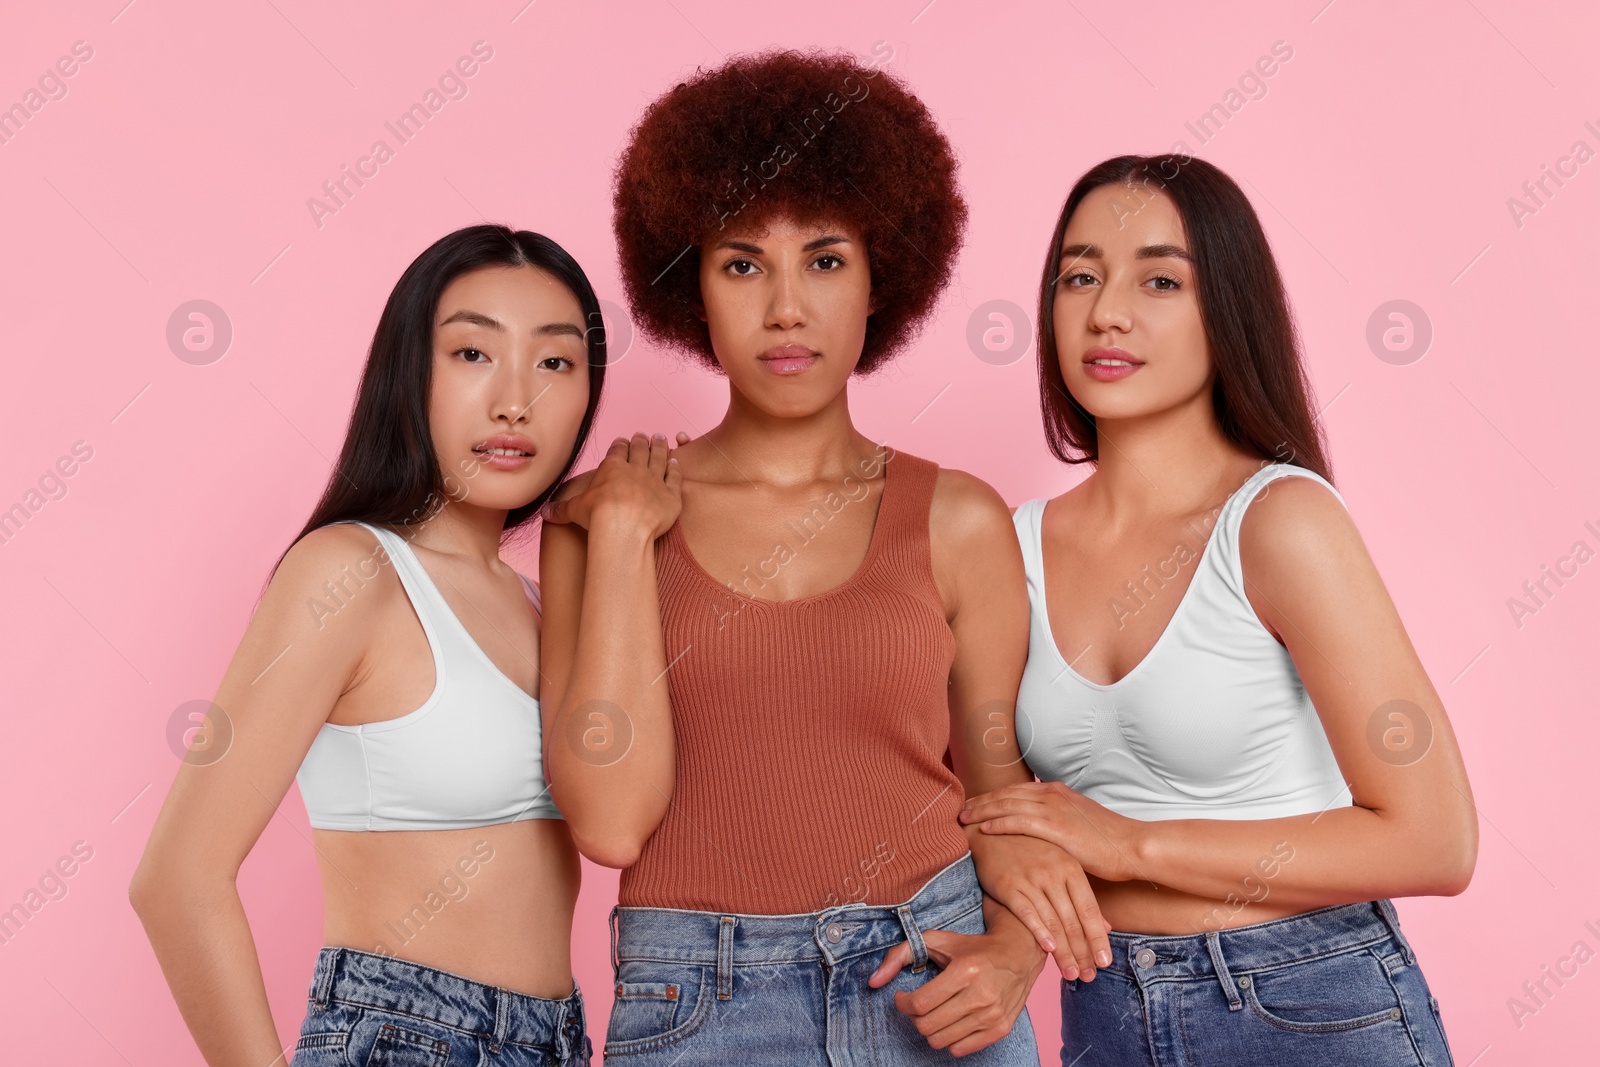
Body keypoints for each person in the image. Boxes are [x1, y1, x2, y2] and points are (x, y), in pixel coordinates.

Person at [538, 48, 1107, 1065]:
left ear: (882, 273)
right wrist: (627, 539)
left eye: (826, 258)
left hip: (927, 981)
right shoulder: (598, 523)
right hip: (696, 1004)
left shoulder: (958, 519)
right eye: (743, 261)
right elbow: (612, 826)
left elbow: (998, 791)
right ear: (690, 285)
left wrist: (1015, 952)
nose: (786, 306)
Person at [959, 155, 1476, 1066]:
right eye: (1080, 275)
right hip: (1105, 1008)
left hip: (1310, 999)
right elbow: (987, 809)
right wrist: (1009, 935)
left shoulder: (1281, 522)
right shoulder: (1006, 545)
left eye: (1160, 279)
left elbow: (1436, 840)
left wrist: (1130, 842)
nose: (1107, 311)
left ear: (1228, 309)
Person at [130, 225, 607, 1066]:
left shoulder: (540, 604)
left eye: (556, 362)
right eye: (471, 353)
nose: (515, 400)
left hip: (558, 1041)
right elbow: (177, 879)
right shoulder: (348, 573)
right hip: (410, 1038)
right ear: (407, 372)